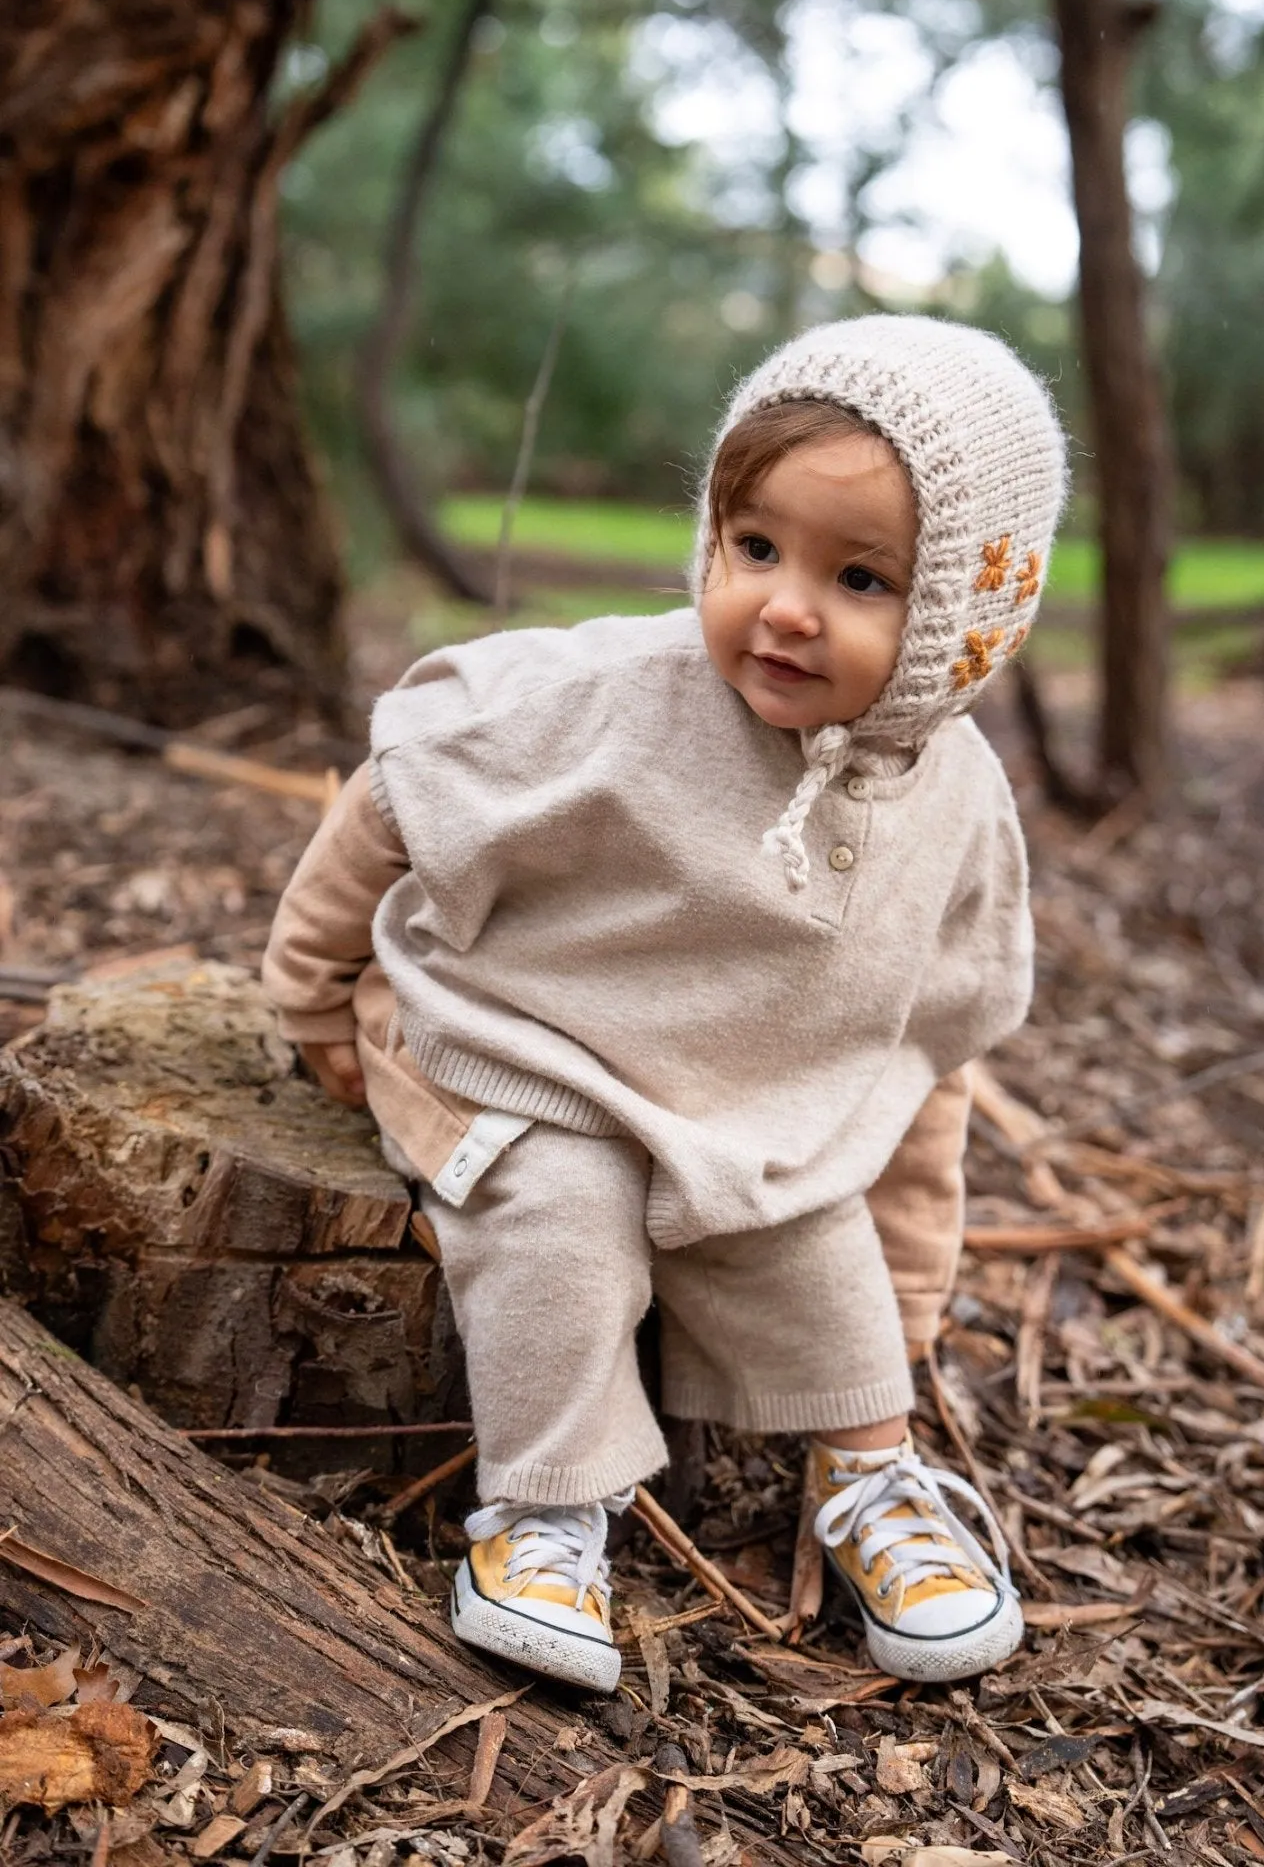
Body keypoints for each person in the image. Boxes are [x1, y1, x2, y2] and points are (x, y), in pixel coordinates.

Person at [263, 313, 1067, 1694]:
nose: (787, 605)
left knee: (807, 1239)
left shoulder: (958, 807)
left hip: (750, 1102)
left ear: (962, 625)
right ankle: (545, 1508)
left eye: (860, 577)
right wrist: (315, 996)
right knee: (556, 1217)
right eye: (755, 548)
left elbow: (926, 1050)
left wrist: (912, 1293)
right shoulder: (608, 693)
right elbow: (399, 790)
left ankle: (872, 1482)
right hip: (532, 1043)